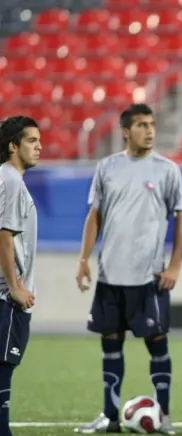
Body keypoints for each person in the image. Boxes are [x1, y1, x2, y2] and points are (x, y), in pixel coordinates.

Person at [74, 104, 182, 435]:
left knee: (157, 342)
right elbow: (94, 215)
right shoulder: (107, 167)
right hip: (111, 274)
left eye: (152, 124)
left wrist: (175, 266)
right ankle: (110, 416)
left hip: (149, 277)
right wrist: (84, 259)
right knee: (110, 342)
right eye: (142, 125)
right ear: (126, 131)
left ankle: (164, 415)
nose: (150, 131)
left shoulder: (167, 170)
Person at [0, 116, 40, 436]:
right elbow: (4, 234)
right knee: (3, 366)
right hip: (6, 294)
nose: (39, 147)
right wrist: (14, 286)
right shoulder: (11, 180)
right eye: (31, 141)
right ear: (13, 146)